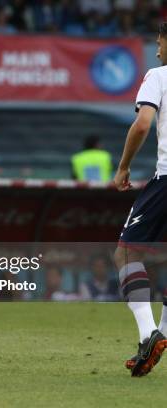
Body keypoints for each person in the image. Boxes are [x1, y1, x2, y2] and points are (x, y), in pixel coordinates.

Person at [113, 23, 167, 377]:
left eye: (160, 42)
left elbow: (143, 124)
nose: (158, 50)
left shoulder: (158, 76)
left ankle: (149, 334)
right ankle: (160, 337)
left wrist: (124, 167)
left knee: (125, 252)